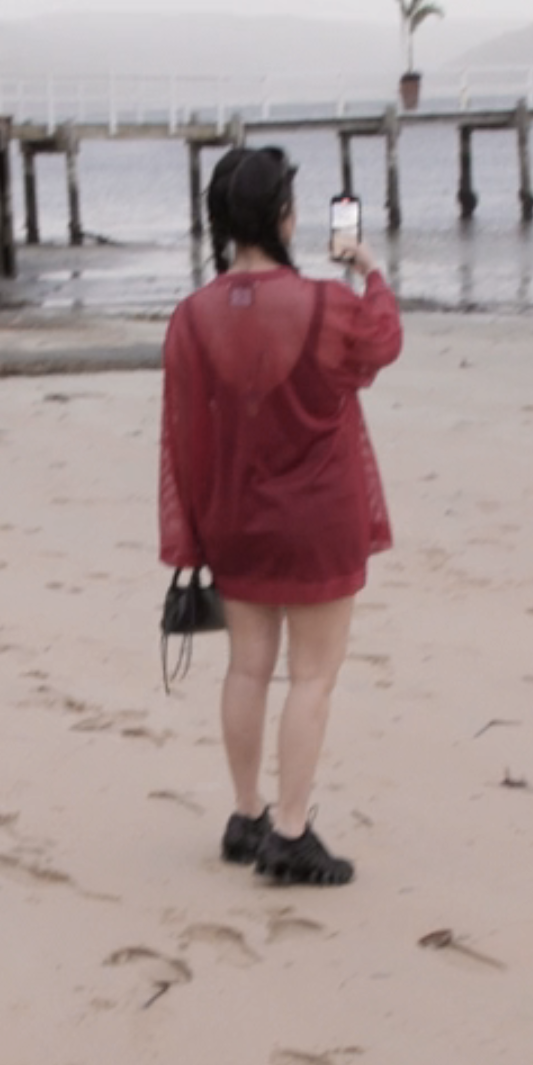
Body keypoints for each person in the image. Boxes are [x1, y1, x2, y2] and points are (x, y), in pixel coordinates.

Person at [159, 146, 402, 885]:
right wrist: (367, 268)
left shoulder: (193, 317)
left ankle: (245, 815)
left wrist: (195, 529)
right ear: (285, 217)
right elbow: (382, 341)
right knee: (313, 677)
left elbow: (182, 432)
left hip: (234, 515)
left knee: (247, 668)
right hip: (316, 516)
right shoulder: (328, 306)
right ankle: (292, 834)